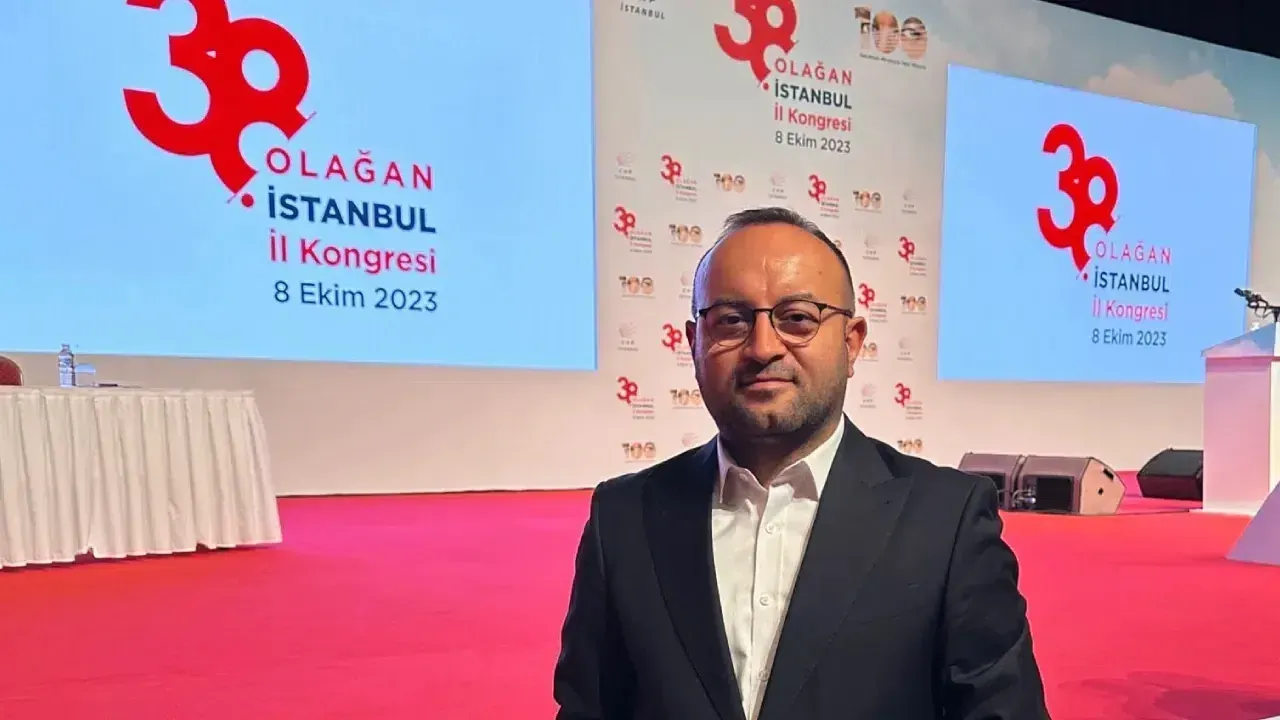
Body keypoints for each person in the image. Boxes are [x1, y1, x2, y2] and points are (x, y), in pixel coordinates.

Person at [553, 206, 1048, 720]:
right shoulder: (623, 518)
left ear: (852, 342)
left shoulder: (946, 521)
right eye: (731, 320)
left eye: (797, 318)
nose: (763, 347)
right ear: (694, 342)